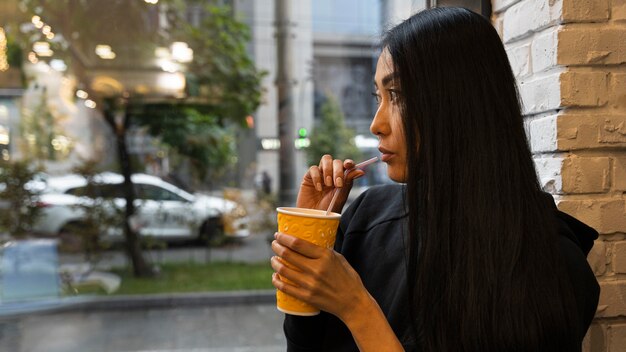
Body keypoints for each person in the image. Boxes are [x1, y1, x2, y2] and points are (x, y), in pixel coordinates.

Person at [269, 7, 600, 352]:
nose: (376, 124)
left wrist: (357, 307)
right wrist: (313, 235)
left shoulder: (552, 263)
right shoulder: (366, 218)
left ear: (459, 103)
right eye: (377, 97)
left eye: (396, 95)